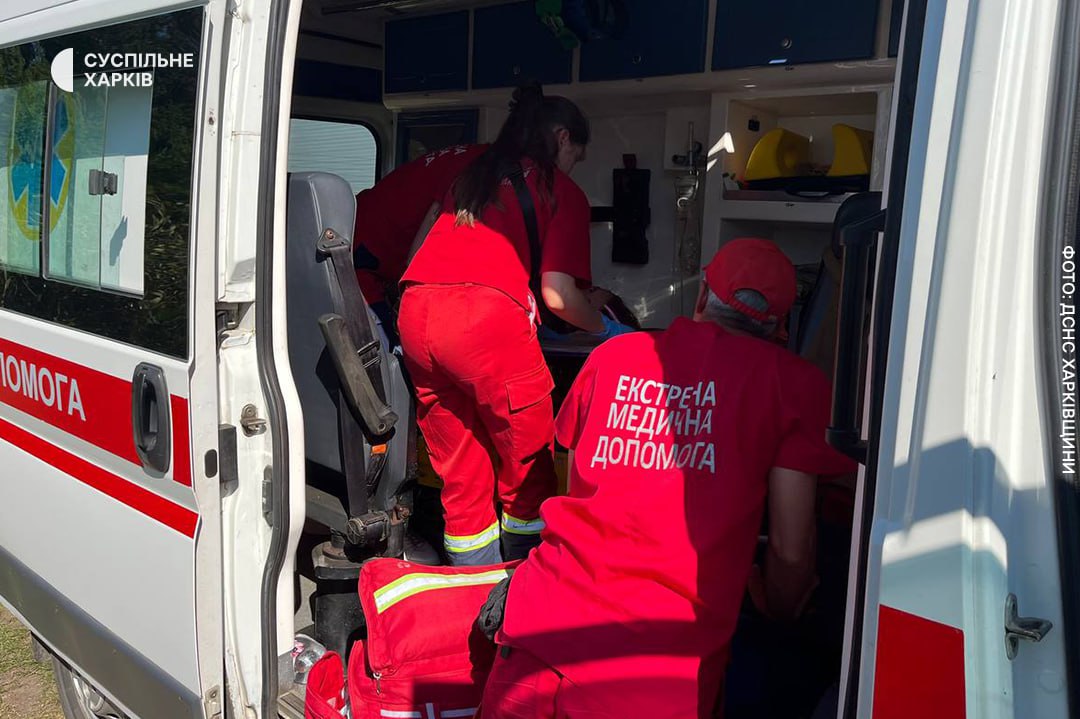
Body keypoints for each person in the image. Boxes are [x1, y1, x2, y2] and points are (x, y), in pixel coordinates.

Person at [479, 238, 857, 718]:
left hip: (539, 631)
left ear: (702, 298)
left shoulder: (613, 356)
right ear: (780, 326)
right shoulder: (792, 384)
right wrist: (781, 611)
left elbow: (580, 490)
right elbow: (790, 548)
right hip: (653, 673)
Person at [398, 83, 634, 566]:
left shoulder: (471, 178)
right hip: (483, 326)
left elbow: (418, 248)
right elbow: (558, 295)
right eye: (577, 156)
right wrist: (611, 333)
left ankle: (471, 593)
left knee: (462, 476)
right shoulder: (559, 188)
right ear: (563, 139)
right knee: (528, 471)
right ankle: (519, 594)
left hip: (416, 315)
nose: (573, 167)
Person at [352, 142, 488, 345]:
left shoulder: (469, 156)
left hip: (361, 229)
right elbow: (417, 254)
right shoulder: (480, 171)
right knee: (387, 350)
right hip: (364, 257)